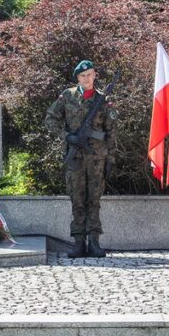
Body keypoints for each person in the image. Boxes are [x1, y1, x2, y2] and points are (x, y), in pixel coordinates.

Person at [44, 60, 117, 259]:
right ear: (77, 77)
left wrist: (110, 158)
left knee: (94, 200)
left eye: (90, 74)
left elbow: (111, 131)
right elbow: (50, 119)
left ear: (95, 75)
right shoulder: (67, 96)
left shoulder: (103, 99)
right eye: (83, 75)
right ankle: (78, 243)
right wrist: (67, 136)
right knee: (77, 200)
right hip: (75, 156)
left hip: (96, 158)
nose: (87, 78)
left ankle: (94, 242)